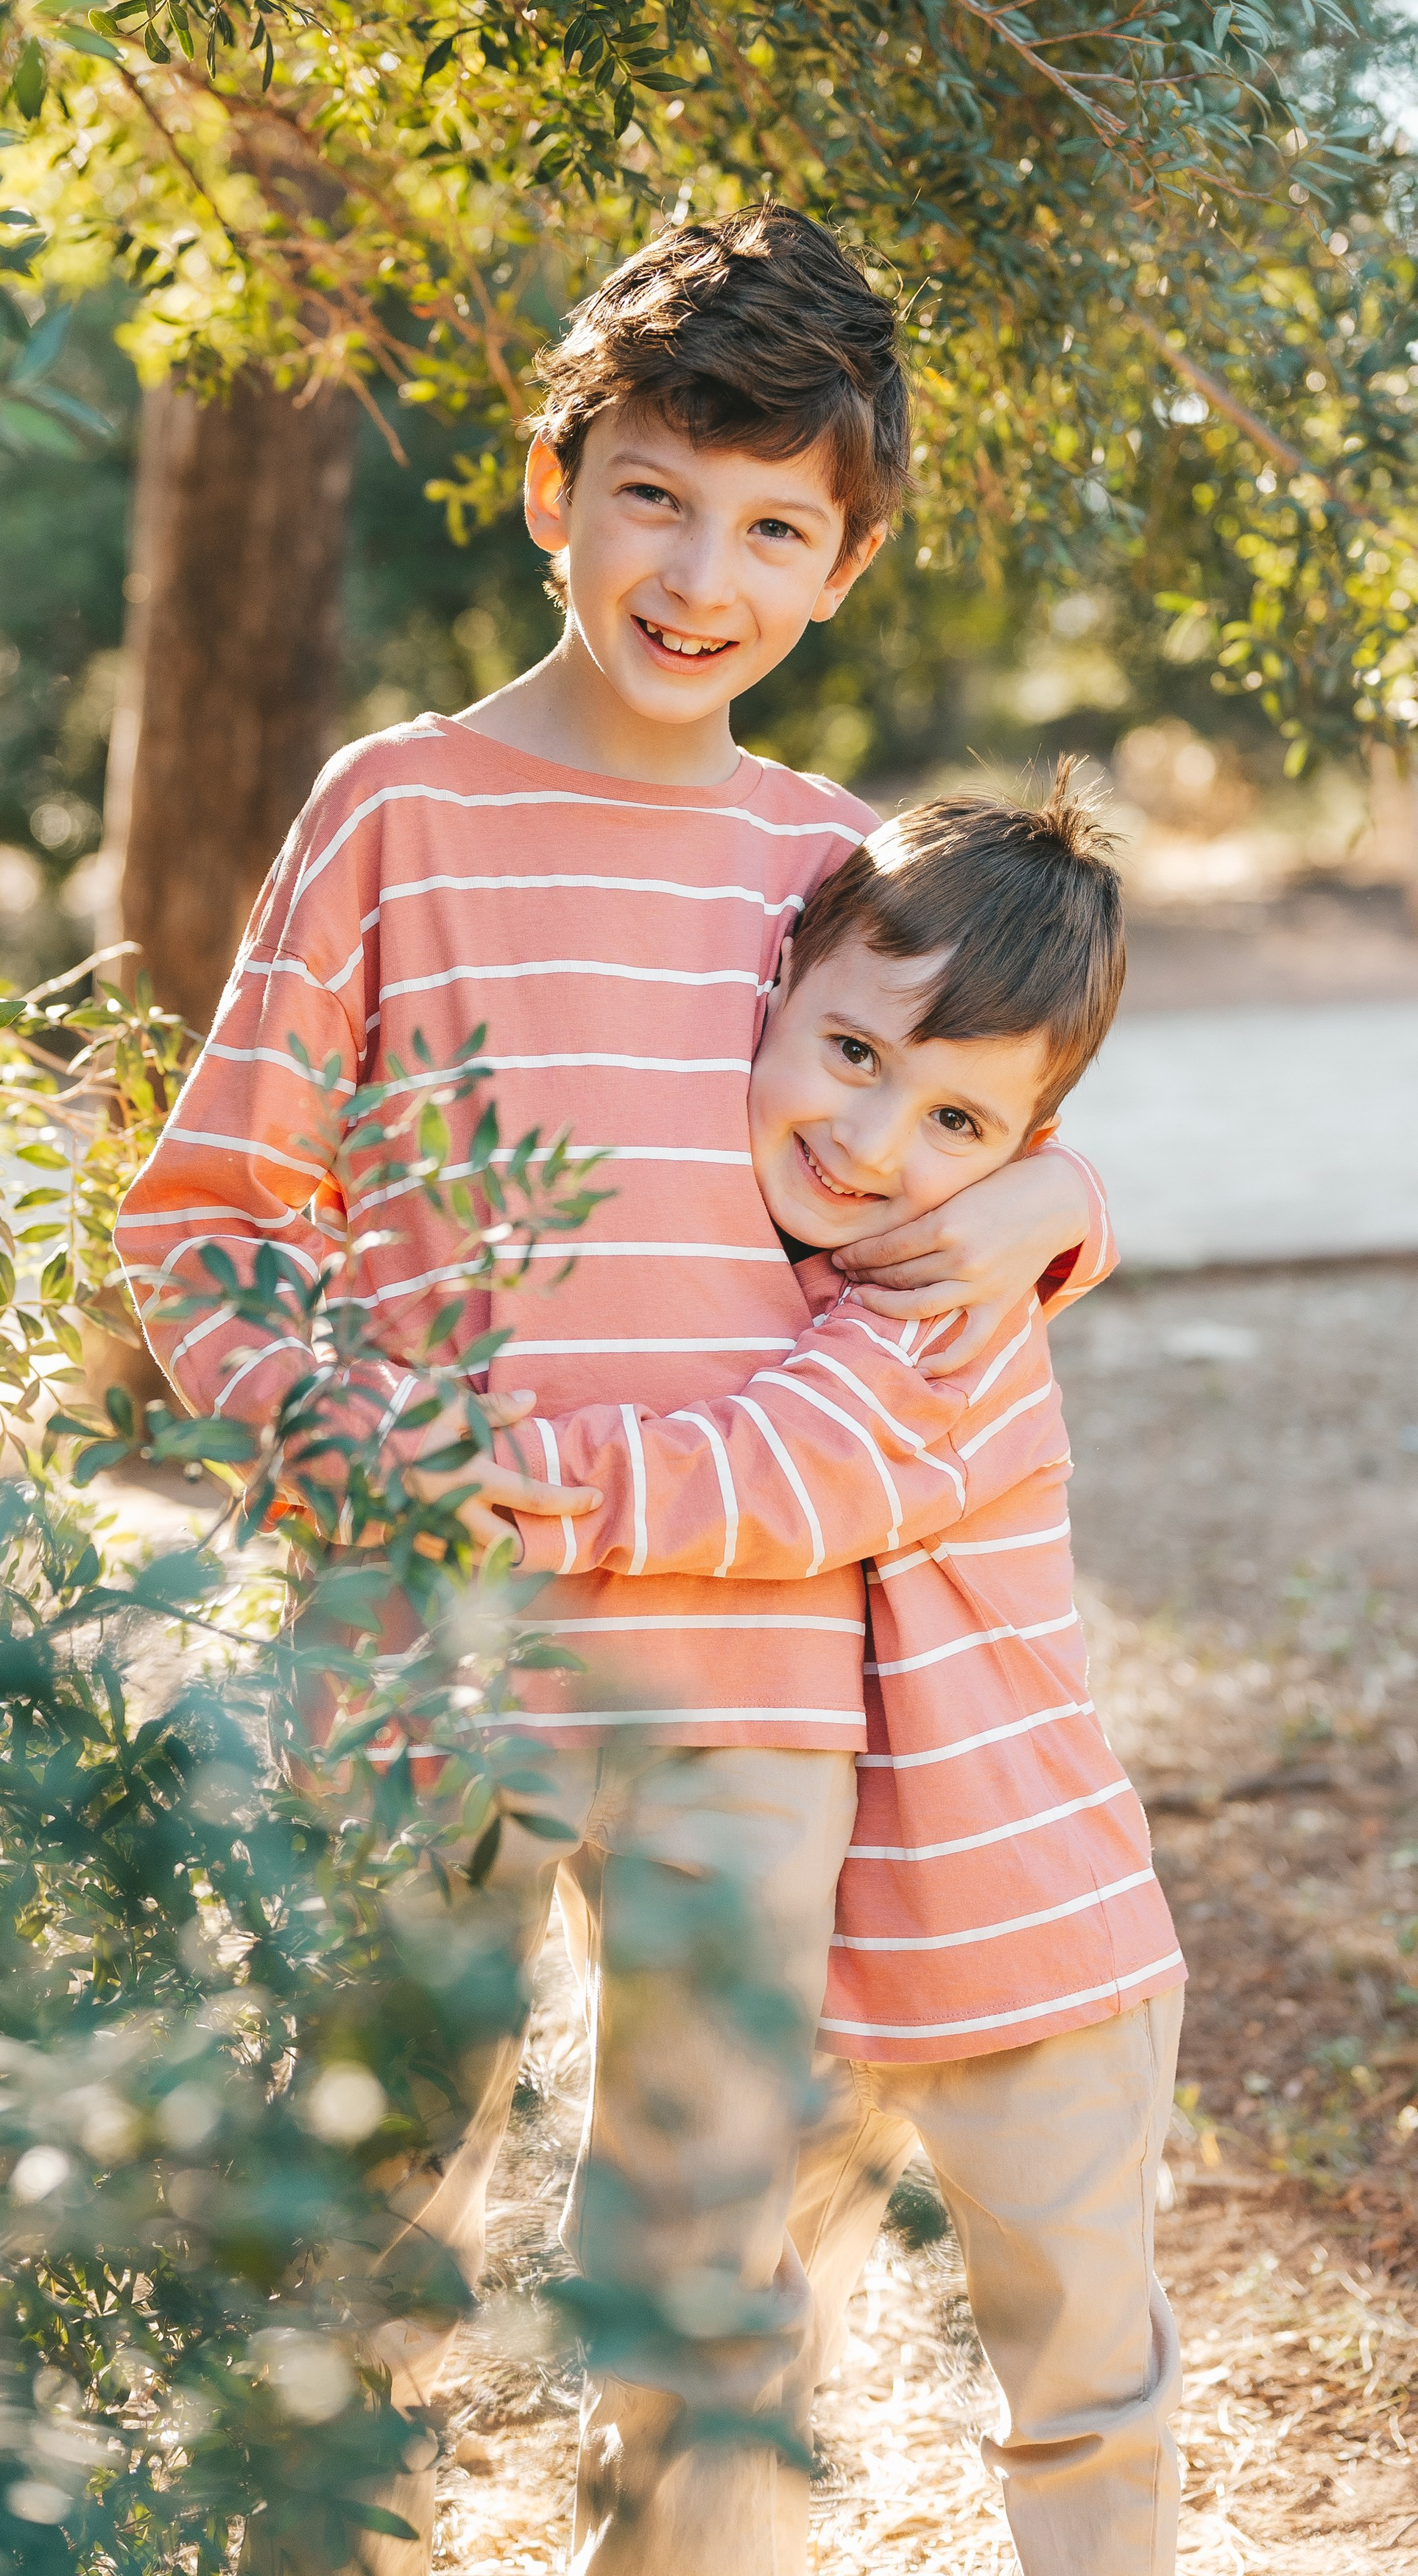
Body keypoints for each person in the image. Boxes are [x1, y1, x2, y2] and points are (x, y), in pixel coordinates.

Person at [113, 203, 1132, 2575]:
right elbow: (206, 1221)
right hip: (421, 1652)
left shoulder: (828, 864)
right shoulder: (395, 806)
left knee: (703, 2265)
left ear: (845, 566)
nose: (704, 571)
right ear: (550, 485)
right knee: (353, 2204)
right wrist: (344, 1440)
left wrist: (1059, 1211)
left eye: (779, 526)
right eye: (658, 494)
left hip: (748, 1681)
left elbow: (966, 1150)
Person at [495, 786, 1186, 2574]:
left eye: (960, 1119)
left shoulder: (940, 1308)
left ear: (1026, 1140)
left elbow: (782, 1473)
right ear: (770, 1000)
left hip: (1029, 1954)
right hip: (809, 1965)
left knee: (1080, 2382)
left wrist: (523, 1470)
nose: (875, 1137)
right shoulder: (764, 1265)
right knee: (722, 2336)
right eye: (853, 1052)